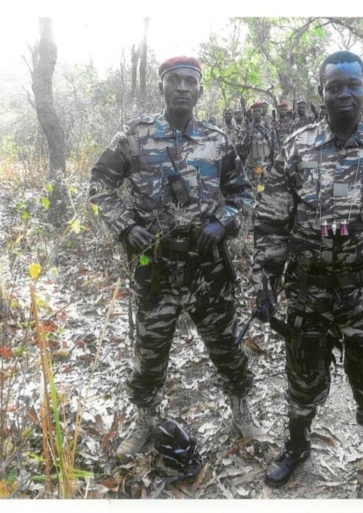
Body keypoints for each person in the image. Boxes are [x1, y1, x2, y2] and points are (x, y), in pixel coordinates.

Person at [252, 50, 363, 498]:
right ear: (322, 92)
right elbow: (272, 220)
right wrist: (265, 282)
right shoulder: (297, 148)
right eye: (335, 86)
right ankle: (296, 446)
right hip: (308, 289)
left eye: (353, 85)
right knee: (302, 375)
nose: (344, 94)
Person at [88, 56, 263, 461]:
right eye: (174, 81)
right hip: (156, 267)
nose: (182, 87)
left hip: (208, 267)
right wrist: (127, 227)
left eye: (190, 81)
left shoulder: (217, 141)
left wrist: (223, 222)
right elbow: (100, 182)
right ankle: (146, 419)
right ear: (162, 86)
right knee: (149, 351)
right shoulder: (136, 136)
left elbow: (243, 193)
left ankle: (241, 411)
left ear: (200, 89)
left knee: (225, 346)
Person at [243, 101, 276, 192]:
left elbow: (271, 144)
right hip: (252, 165)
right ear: (252, 113)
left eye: (258, 111)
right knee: (252, 189)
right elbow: (242, 147)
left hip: (265, 164)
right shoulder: (248, 128)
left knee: (263, 188)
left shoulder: (266, 127)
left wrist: (271, 161)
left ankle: (260, 203)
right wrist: (247, 136)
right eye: (254, 111)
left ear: (262, 112)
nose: (256, 113)